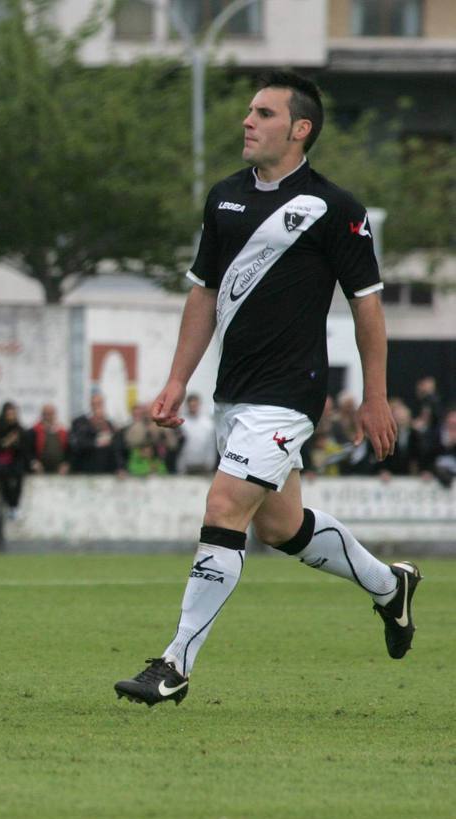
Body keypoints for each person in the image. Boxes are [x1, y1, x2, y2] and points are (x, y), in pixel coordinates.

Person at [114, 71, 421, 707]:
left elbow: (367, 307)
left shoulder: (337, 209)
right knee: (282, 527)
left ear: (299, 128)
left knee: (224, 509)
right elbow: (202, 292)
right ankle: (390, 586)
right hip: (234, 391)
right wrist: (176, 378)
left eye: (262, 113)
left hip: (291, 391)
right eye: (248, 112)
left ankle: (174, 663)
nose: (247, 122)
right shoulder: (224, 198)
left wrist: (374, 395)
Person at [0, 402, 30, 513]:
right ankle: (8, 502)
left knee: (19, 473)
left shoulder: (20, 430)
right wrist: (6, 442)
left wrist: (15, 443)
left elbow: (24, 450)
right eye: (9, 414)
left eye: (13, 414)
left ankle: (14, 504)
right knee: (2, 474)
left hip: (14, 461)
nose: (11, 417)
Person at [69, 393, 124, 474]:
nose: (97, 406)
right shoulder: (79, 422)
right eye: (95, 403)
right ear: (90, 404)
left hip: (105, 471)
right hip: (84, 470)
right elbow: (76, 444)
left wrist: (120, 467)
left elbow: (116, 449)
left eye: (100, 403)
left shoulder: (110, 425)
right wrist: (96, 443)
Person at [175, 394, 217, 474]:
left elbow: (211, 445)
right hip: (186, 465)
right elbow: (179, 445)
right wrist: (180, 466)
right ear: (187, 406)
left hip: (204, 465)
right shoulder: (182, 422)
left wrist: (210, 464)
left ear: (199, 404)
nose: (193, 407)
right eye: (191, 405)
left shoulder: (208, 423)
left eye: (195, 405)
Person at [29, 403, 69, 474]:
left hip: (59, 471)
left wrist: (65, 464)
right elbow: (29, 451)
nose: (49, 417)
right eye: (46, 414)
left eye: (51, 414)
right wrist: (34, 462)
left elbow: (68, 451)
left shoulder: (63, 431)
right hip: (40, 470)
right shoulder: (34, 431)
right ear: (42, 415)